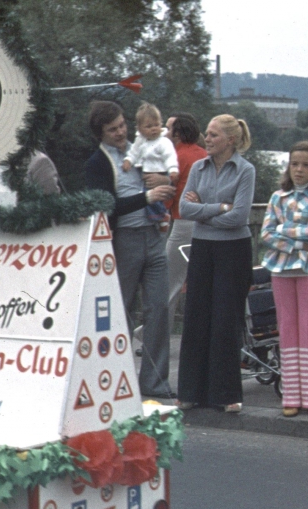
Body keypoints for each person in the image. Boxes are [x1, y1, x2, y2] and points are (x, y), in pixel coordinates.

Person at [84, 101, 176, 398]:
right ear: (100, 133)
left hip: (152, 234)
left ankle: (155, 382)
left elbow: (164, 174)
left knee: (159, 307)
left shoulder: (139, 150)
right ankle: (116, 381)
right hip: (124, 239)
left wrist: (161, 187)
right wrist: (147, 198)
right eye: (113, 129)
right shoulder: (97, 164)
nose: (121, 132)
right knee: (121, 310)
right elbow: (107, 204)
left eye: (123, 125)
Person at [176, 114, 256, 412]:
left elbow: (240, 217)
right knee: (196, 316)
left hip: (233, 250)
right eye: (206, 134)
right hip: (203, 248)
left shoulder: (245, 171)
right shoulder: (198, 168)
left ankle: (226, 394)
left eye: (213, 135)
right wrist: (220, 206)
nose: (206, 139)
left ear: (230, 140)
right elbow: (185, 208)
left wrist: (203, 210)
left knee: (225, 319)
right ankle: (190, 391)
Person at [260, 141, 308, 417]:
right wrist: (297, 243)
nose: (299, 170)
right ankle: (291, 396)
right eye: (295, 164)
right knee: (287, 328)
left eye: (305, 165)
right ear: (288, 167)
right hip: (282, 270)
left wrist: (283, 229)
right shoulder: (277, 197)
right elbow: (266, 235)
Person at [164, 113, 208, 321]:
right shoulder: (204, 155)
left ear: (178, 133)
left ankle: (153, 335)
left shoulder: (177, 157)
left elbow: (168, 192)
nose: (166, 133)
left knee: (169, 281)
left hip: (183, 223)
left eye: (170, 129)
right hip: (205, 223)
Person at [122, 102, 178, 230]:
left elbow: (170, 156)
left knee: (155, 196)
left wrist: (173, 170)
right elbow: (134, 152)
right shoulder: (140, 141)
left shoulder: (163, 142)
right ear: (140, 129)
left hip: (160, 171)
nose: (154, 129)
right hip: (144, 170)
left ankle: (162, 216)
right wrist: (128, 160)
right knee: (146, 196)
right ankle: (156, 217)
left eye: (157, 125)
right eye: (149, 126)